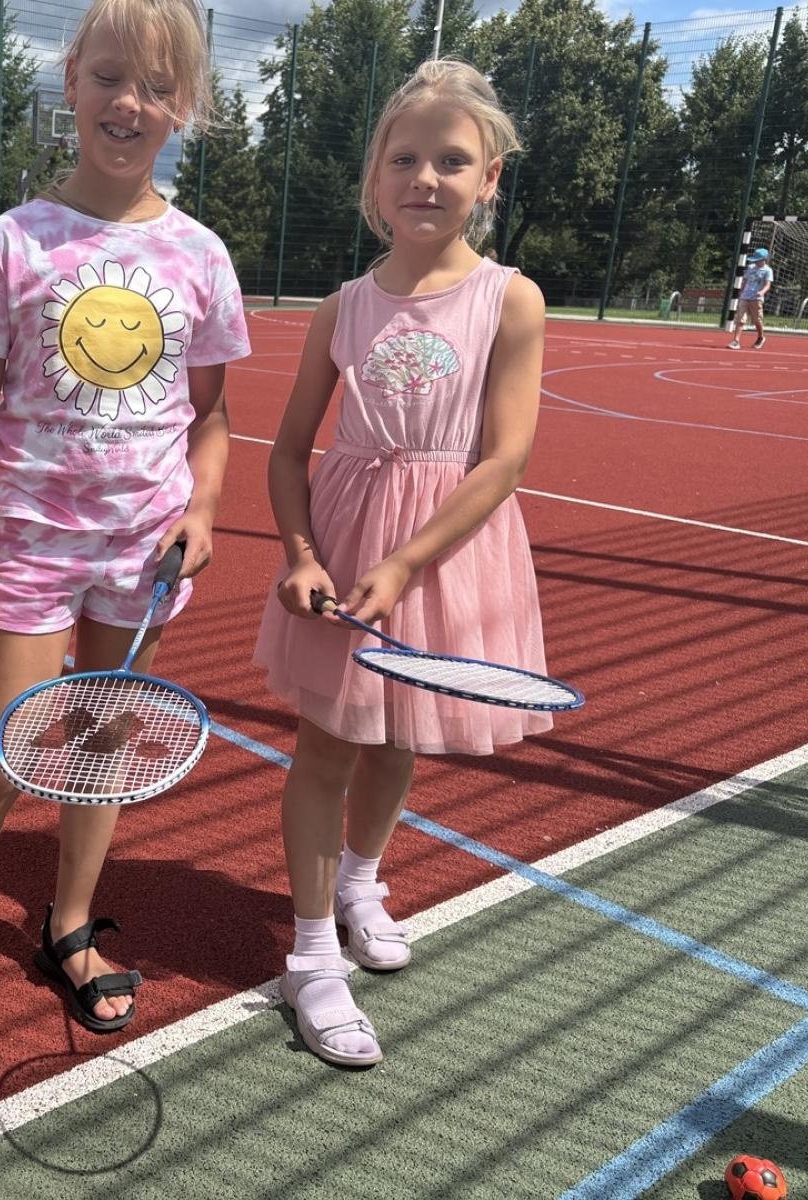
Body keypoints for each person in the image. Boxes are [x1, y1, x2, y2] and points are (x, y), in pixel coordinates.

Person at [0, 0, 250, 1071]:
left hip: (141, 558)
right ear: (70, 82)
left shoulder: (201, 256)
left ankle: (68, 927)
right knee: (2, 756)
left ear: (183, 107)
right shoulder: (15, 242)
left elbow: (214, 418)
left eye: (152, 86)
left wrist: (204, 510)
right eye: (107, 78)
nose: (127, 103)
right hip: (31, 551)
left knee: (102, 754)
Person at [254, 60, 550, 1067]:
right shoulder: (343, 307)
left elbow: (503, 458)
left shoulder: (511, 300)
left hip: (442, 547)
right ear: (374, 178)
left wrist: (408, 563)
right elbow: (289, 451)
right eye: (404, 158)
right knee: (328, 741)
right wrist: (303, 556)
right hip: (343, 540)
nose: (426, 177)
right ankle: (306, 955)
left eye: (451, 160)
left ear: (491, 178)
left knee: (396, 736)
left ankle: (358, 881)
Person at [728, 246, 772, 349]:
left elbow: (767, 284)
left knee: (757, 320)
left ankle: (761, 337)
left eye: (758, 260)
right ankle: (736, 341)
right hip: (745, 297)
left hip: (756, 298)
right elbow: (746, 281)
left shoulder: (767, 271)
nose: (756, 262)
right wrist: (741, 292)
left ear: (763, 260)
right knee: (740, 319)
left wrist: (762, 292)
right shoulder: (751, 268)